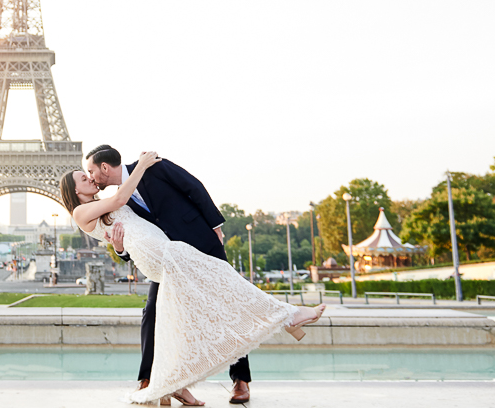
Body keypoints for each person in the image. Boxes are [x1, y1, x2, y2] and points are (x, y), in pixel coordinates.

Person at [60, 147, 324, 405]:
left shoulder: (154, 169)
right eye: (85, 176)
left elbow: (193, 186)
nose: (91, 177)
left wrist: (214, 225)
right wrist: (120, 250)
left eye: (91, 171)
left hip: (196, 241)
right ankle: (151, 380)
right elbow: (125, 237)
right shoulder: (119, 196)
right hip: (166, 255)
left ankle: (239, 379)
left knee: (226, 296)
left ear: (104, 167)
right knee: (154, 313)